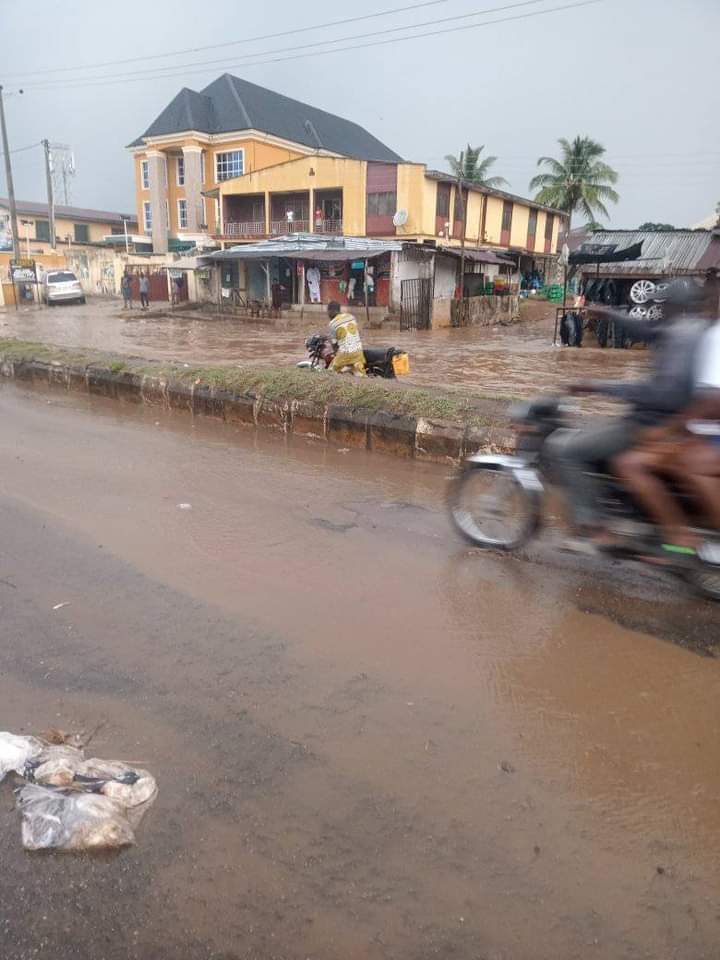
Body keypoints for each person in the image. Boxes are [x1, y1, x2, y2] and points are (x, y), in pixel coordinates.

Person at [547, 282, 708, 549]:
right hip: (675, 423)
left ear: (674, 306)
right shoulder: (689, 330)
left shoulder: (679, 338)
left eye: (661, 305)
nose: (657, 310)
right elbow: (646, 330)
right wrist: (610, 314)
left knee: (565, 448)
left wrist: (599, 387)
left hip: (652, 425)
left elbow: (662, 393)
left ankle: (594, 528)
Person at [614, 310, 720, 559]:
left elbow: (712, 402)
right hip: (702, 429)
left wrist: (667, 429)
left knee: (630, 464)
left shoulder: (714, 334)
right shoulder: (701, 331)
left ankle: (677, 535)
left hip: (709, 436)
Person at [327, 301, 365, 376]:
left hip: (345, 354)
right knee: (361, 375)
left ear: (331, 311)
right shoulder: (351, 317)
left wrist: (335, 354)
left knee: (329, 372)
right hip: (359, 352)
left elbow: (335, 346)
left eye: (328, 312)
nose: (327, 314)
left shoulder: (332, 324)